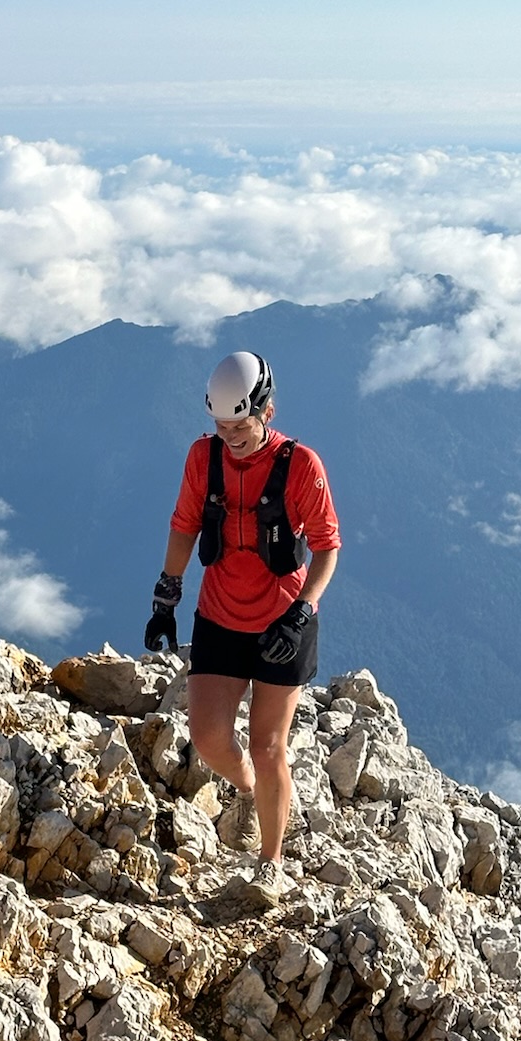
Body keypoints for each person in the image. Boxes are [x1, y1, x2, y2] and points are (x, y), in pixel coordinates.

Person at [143, 350, 340, 897]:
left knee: (269, 745)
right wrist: (167, 596)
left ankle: (270, 861)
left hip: (284, 622)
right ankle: (251, 790)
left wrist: (303, 610)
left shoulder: (301, 466)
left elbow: (327, 547)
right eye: (220, 425)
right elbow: (185, 524)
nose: (229, 436)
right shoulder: (202, 458)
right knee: (207, 739)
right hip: (221, 615)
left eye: (240, 425)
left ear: (267, 411)